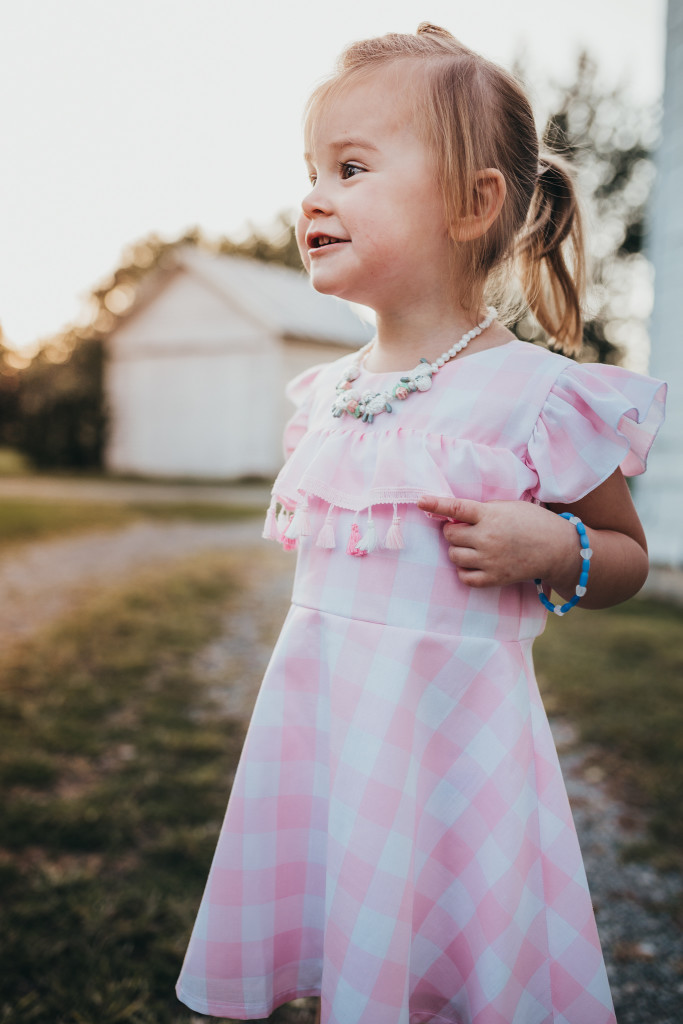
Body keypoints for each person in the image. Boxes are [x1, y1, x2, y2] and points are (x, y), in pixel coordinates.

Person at [176, 24, 666, 1024]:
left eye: (351, 168)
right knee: (356, 940)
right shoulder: (325, 394)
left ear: (471, 202)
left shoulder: (533, 397)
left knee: (451, 968)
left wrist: (556, 547)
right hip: (328, 736)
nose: (312, 196)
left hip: (458, 751)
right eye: (310, 171)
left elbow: (626, 559)